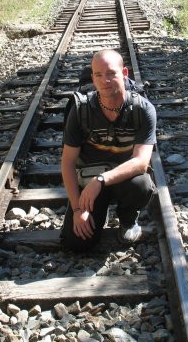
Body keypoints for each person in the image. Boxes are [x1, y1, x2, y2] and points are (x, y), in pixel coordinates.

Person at [60, 49, 157, 251]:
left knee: (142, 184)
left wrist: (101, 180)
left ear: (124, 73)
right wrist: (78, 208)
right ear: (93, 78)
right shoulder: (80, 110)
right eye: (98, 75)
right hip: (88, 181)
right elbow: (68, 162)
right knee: (77, 244)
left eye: (111, 73)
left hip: (122, 180)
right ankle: (94, 208)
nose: (105, 80)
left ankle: (128, 219)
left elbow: (141, 162)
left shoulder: (143, 109)